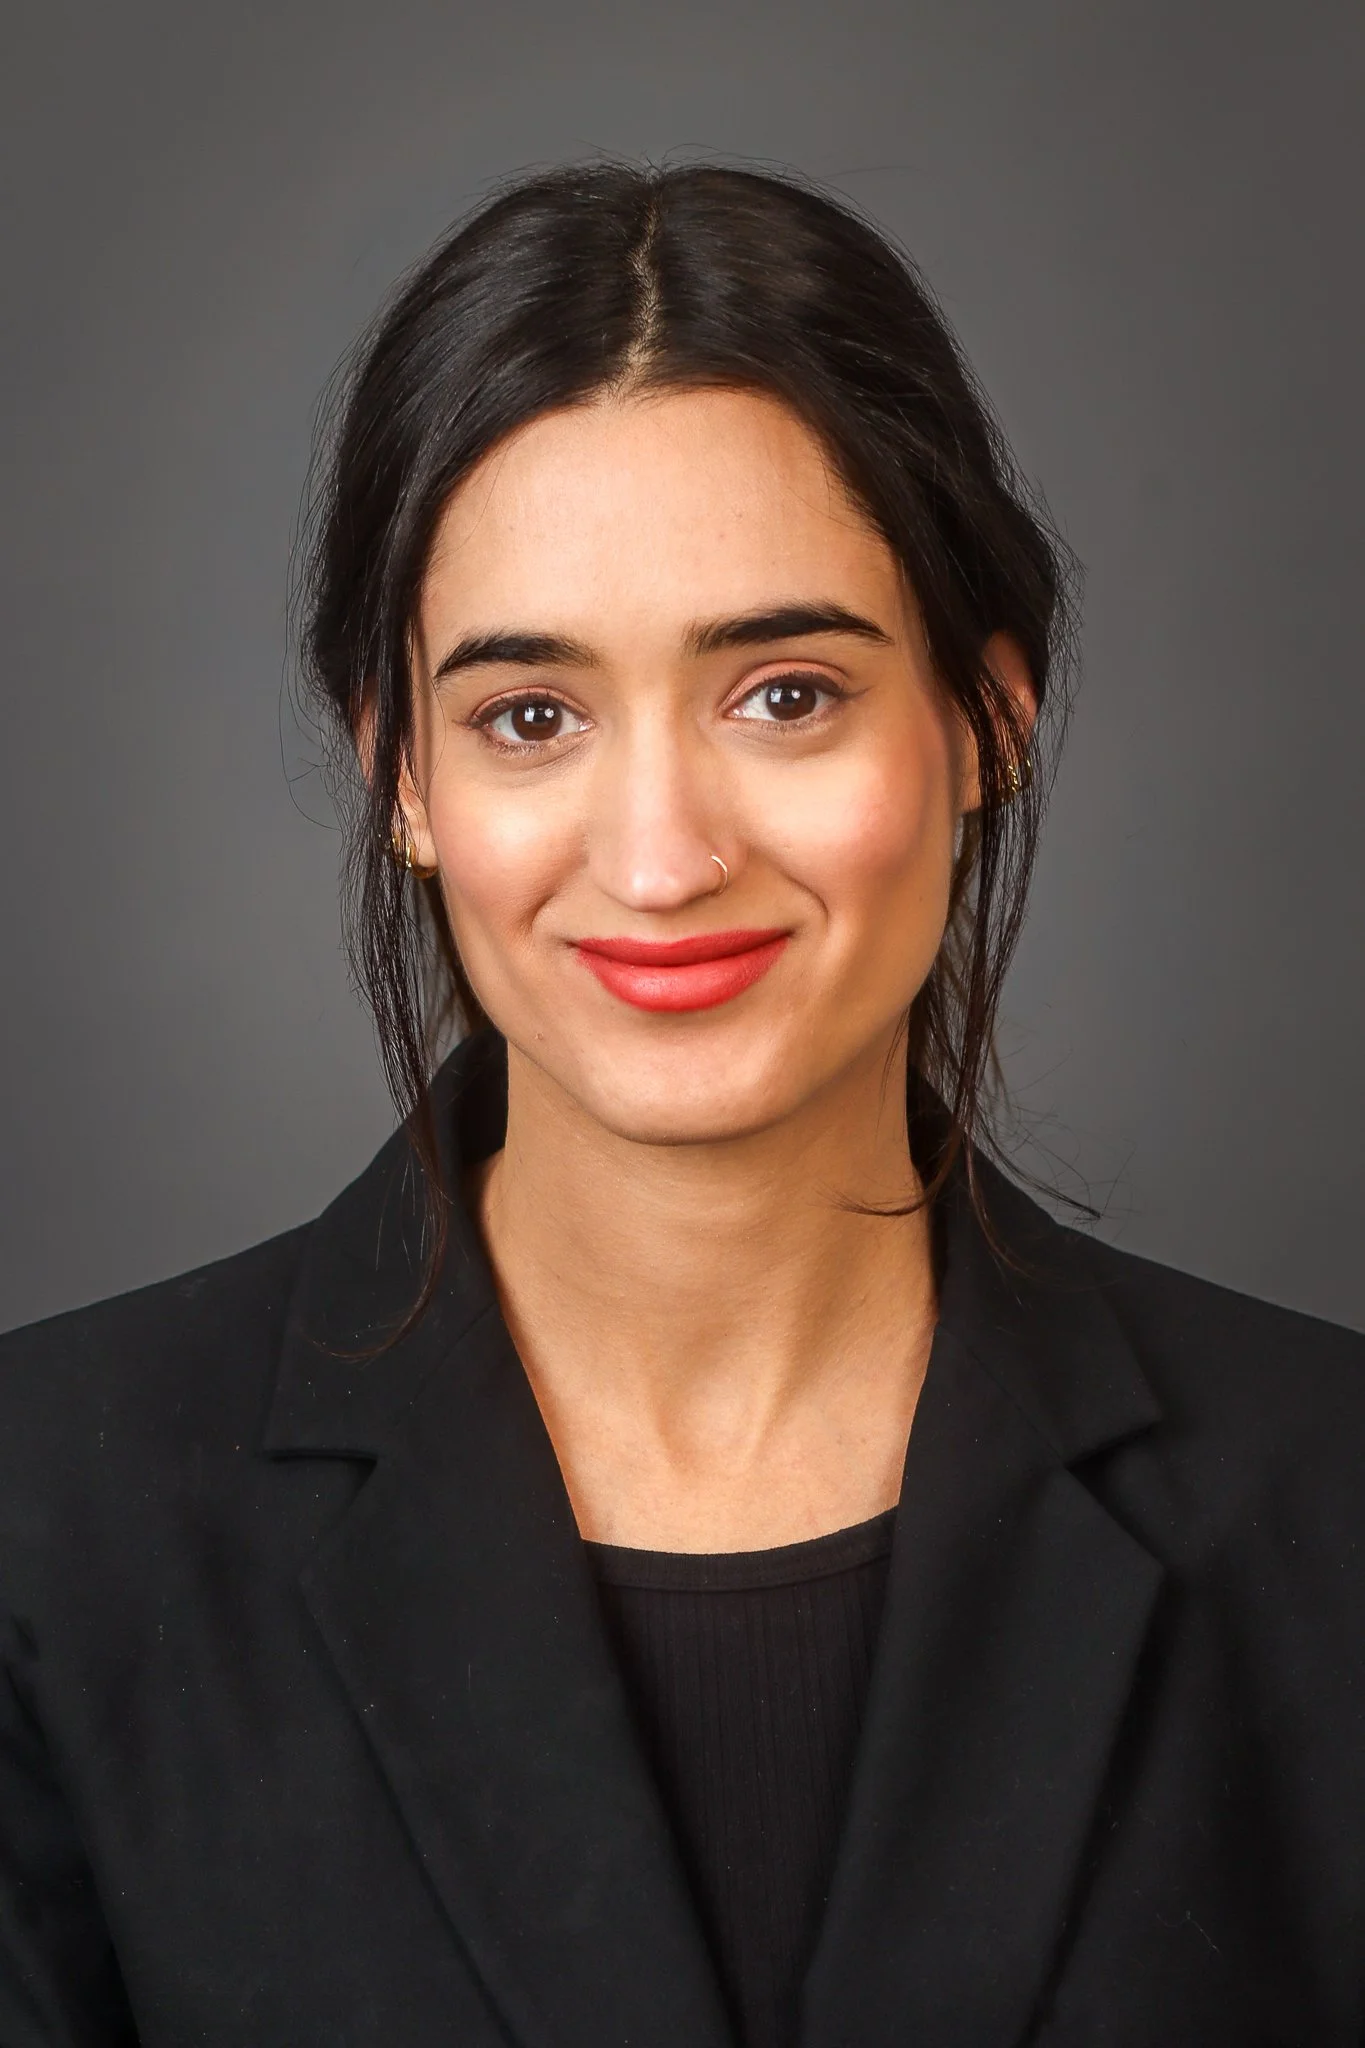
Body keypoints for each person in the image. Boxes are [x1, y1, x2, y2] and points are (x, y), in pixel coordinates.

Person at [1, 161, 1362, 2048]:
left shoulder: (1332, 1509)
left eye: (785, 693)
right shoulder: (46, 1525)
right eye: (531, 717)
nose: (659, 860)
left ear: (987, 722)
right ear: (401, 775)